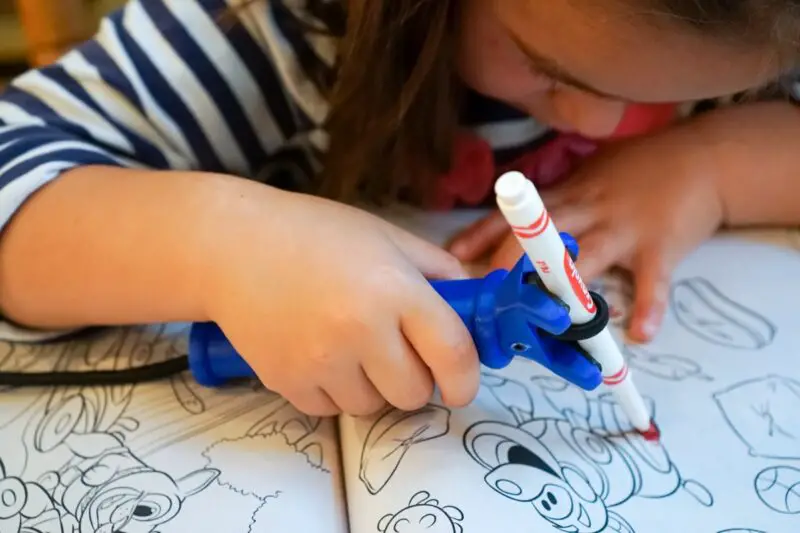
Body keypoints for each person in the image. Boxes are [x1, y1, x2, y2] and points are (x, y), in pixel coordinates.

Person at [0, 0, 798, 417]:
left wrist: (716, 160)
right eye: (546, 67)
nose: (592, 121)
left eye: (667, 101)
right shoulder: (264, 30)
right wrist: (228, 245)